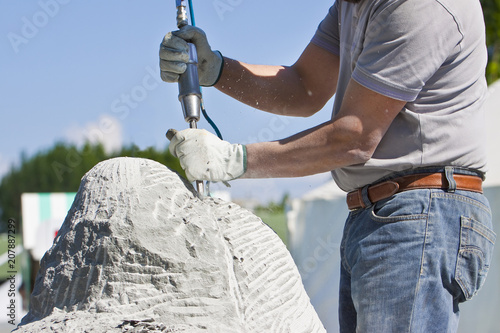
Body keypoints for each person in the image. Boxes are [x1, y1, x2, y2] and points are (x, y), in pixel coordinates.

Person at [159, 0, 497, 331]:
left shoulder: (421, 5)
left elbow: (355, 136)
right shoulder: (351, 6)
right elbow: (305, 88)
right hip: (384, 212)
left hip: (421, 212)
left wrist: (233, 160)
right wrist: (217, 69)